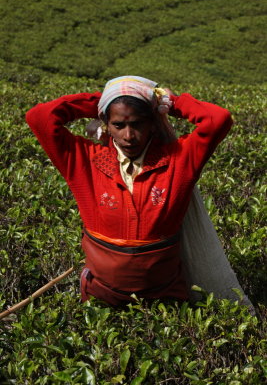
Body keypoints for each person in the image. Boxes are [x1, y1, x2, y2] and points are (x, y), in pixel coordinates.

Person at [26, 75, 243, 307]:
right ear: (106, 125)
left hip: (165, 299)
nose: (128, 136)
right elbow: (39, 117)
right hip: (101, 299)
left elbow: (218, 119)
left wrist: (169, 102)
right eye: (118, 125)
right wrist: (104, 101)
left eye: (137, 124)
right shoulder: (85, 162)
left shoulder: (178, 160)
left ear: (152, 122)